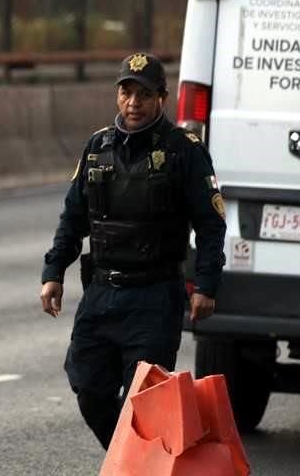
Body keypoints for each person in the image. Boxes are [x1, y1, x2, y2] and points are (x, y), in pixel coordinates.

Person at [39, 52, 227, 450]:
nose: (133, 103)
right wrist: (53, 272)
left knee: (143, 403)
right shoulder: (97, 147)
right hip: (103, 295)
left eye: (143, 94)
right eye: (126, 92)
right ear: (117, 96)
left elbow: (210, 225)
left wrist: (205, 285)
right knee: (89, 389)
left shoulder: (183, 151)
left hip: (154, 297)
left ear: (161, 97)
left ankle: (137, 466)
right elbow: (73, 217)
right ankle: (130, 462)